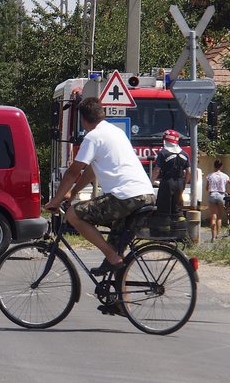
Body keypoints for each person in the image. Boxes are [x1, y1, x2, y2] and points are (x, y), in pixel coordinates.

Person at [45, 97, 155, 275]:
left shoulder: (93, 137)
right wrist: (72, 193)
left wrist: (55, 201)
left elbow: (73, 172)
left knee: (73, 214)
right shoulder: (116, 132)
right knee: (118, 254)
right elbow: (91, 171)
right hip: (145, 194)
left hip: (125, 197)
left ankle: (111, 256)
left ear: (84, 119)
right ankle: (119, 299)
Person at [151, 129, 191, 222]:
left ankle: (165, 231)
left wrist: (151, 183)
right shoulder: (184, 154)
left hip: (167, 182)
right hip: (180, 183)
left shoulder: (163, 153)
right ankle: (180, 229)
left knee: (164, 209)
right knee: (178, 208)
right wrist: (184, 183)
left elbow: (157, 170)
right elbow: (189, 171)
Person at [204, 159, 230, 242]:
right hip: (221, 196)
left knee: (213, 216)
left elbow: (207, 188)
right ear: (221, 166)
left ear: (214, 166)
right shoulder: (224, 176)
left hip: (212, 195)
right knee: (220, 216)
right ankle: (218, 235)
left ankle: (212, 236)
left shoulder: (209, 176)